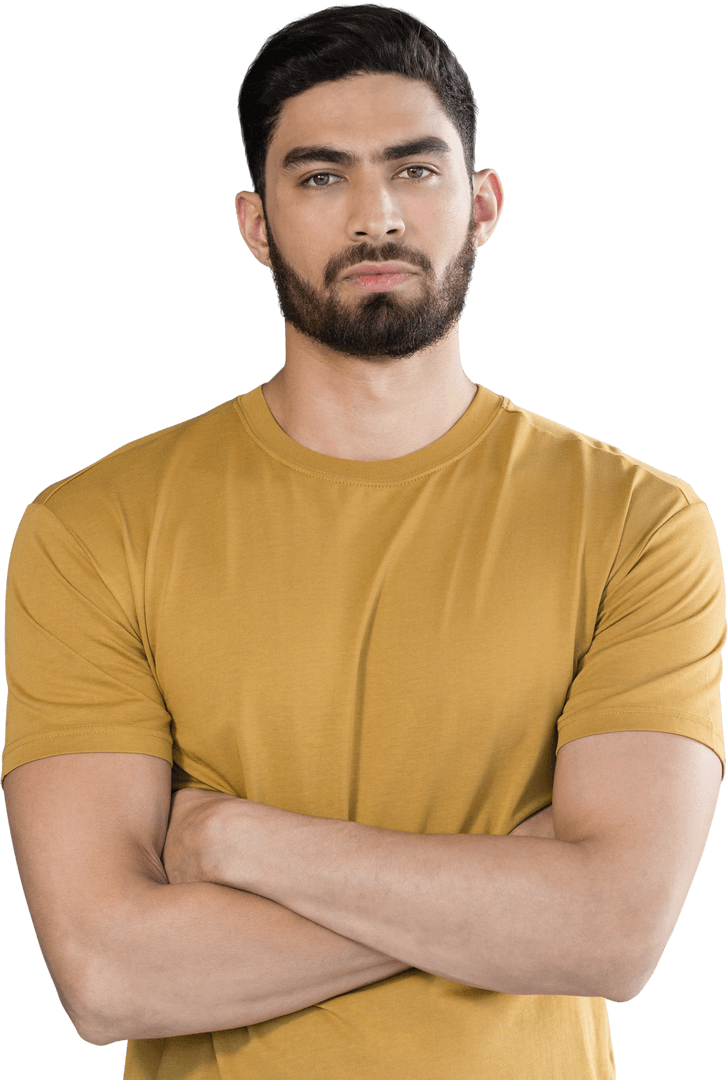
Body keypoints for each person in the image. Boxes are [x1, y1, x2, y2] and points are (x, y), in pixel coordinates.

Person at [2, 5, 725, 1079]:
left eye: (415, 170)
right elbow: (108, 977)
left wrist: (238, 844)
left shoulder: (638, 523)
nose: (375, 215)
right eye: (320, 176)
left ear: (482, 204)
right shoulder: (92, 528)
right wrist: (511, 894)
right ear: (256, 225)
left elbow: (614, 935)